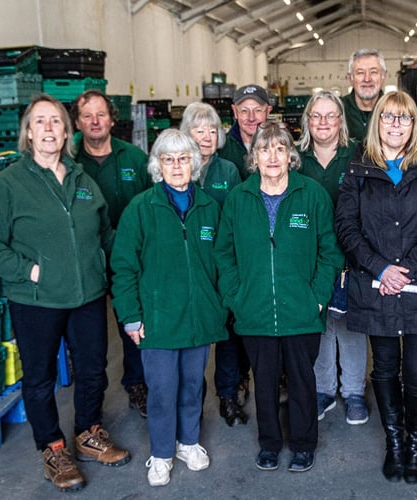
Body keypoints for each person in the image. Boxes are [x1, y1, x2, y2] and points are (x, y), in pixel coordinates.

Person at [0, 94, 130, 492]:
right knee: (40, 378)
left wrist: (128, 259)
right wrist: (30, 271)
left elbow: (105, 232)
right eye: (39, 122)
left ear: (66, 132)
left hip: (89, 294)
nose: (48, 129)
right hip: (37, 300)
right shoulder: (10, 182)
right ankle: (53, 448)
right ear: (28, 132)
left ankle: (88, 432)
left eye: (55, 122)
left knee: (94, 369)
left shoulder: (81, 179)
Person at [336, 91, 417, 484]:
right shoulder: (357, 169)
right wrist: (380, 268)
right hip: (376, 286)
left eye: (403, 119)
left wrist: (406, 270)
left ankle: (416, 442)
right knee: (385, 368)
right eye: (388, 117)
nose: (395, 125)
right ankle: (394, 442)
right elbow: (347, 228)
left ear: (414, 124)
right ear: (377, 123)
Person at [215, 122, 343, 474]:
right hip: (254, 311)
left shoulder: (312, 194)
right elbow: (223, 253)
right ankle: (269, 443)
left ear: (291, 155)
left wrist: (317, 297)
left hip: (302, 310)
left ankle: (304, 444)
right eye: (264, 149)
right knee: (264, 380)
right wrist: (236, 296)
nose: (272, 156)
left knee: (303, 380)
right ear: (253, 157)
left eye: (279, 148)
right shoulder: (239, 199)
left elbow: (330, 252)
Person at [110, 129, 227, 487]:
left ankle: (188, 443)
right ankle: (161, 452)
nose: (176, 166)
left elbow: (223, 260)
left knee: (193, 385)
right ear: (157, 165)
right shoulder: (141, 208)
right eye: (168, 159)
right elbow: (123, 265)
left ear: (194, 162)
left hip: (198, 316)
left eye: (183, 158)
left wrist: (220, 306)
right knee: (161, 390)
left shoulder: (209, 206)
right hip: (158, 320)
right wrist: (130, 315)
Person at [71, 89, 151, 418]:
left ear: (112, 119)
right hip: (86, 261)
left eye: (101, 114)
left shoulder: (133, 158)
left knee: (132, 324)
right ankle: (91, 401)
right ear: (77, 122)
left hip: (129, 259)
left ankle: (137, 383)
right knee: (89, 336)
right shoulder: (68, 161)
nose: (95, 121)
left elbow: (151, 205)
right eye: (87, 115)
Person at [297, 91, 365, 425]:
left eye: (330, 115)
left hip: (352, 256)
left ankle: (354, 392)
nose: (323, 122)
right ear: (307, 121)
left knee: (352, 325)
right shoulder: (296, 158)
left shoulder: (358, 155)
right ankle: (323, 389)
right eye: (316, 116)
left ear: (341, 120)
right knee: (319, 323)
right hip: (309, 259)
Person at [180, 102, 249, 427]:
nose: (206, 137)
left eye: (212, 130)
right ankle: (188, 403)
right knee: (189, 336)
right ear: (187, 133)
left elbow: (236, 220)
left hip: (221, 266)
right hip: (189, 267)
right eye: (199, 129)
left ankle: (228, 395)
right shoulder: (180, 168)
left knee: (227, 335)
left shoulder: (227, 171)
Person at [218, 84, 273, 180]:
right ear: (235, 111)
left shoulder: (280, 146)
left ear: (268, 111)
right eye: (244, 111)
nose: (251, 118)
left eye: (258, 110)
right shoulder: (221, 147)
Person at [342, 48, 387, 141]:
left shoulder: (395, 110)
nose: (367, 79)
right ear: (350, 78)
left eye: (373, 72)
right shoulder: (338, 109)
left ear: (383, 76)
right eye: (360, 73)